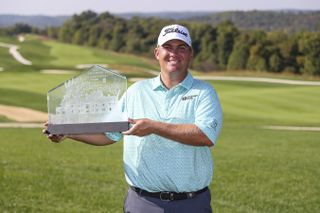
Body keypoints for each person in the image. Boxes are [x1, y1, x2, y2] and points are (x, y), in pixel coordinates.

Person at [44, 24, 223, 213]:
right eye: (168, 47)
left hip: (191, 203)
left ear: (190, 54)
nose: (174, 53)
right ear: (157, 53)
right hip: (143, 202)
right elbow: (109, 134)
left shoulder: (204, 92)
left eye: (181, 48)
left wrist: (154, 127)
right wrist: (68, 132)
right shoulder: (136, 91)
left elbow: (205, 135)